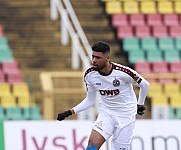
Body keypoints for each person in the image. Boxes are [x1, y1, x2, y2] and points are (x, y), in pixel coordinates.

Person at [57, 41, 150, 150]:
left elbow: (145, 85)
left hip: (126, 116)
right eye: (93, 57)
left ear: (107, 58)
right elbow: (90, 100)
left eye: (98, 58)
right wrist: (70, 112)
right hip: (106, 114)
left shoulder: (123, 72)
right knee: (92, 145)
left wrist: (140, 105)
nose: (94, 60)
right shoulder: (90, 75)